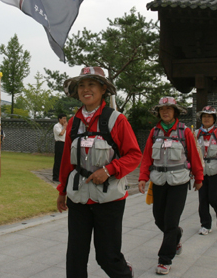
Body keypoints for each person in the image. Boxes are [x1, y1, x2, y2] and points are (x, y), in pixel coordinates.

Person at [56, 66, 141, 278]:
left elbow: (134, 155)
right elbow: (67, 160)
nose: (86, 89)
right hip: (78, 199)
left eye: (91, 84)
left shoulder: (116, 120)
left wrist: (110, 169)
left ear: (103, 89)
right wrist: (61, 191)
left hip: (109, 199)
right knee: (75, 256)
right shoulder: (73, 122)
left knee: (107, 256)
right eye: (81, 85)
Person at [138, 97, 204, 275]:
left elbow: (195, 156)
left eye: (169, 109)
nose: (165, 112)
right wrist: (142, 177)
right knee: (159, 218)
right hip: (158, 180)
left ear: (175, 112)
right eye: (162, 109)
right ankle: (176, 235)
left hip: (179, 182)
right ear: (158, 112)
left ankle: (165, 259)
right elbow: (146, 158)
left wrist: (199, 177)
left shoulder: (185, 132)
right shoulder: (154, 132)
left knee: (170, 220)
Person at [194, 106, 217, 235]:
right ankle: (205, 224)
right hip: (201, 170)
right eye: (204, 116)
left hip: (216, 170)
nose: (206, 119)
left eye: (209, 116)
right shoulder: (196, 133)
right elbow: (192, 153)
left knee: (214, 197)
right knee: (202, 199)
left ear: (214, 119)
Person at [52, 114, 67, 182]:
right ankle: (55, 176)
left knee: (63, 161)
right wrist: (64, 128)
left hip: (65, 143)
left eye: (65, 119)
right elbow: (61, 134)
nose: (65, 120)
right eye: (63, 118)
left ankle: (61, 175)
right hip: (59, 143)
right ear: (59, 119)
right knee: (58, 160)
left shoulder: (64, 126)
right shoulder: (57, 126)